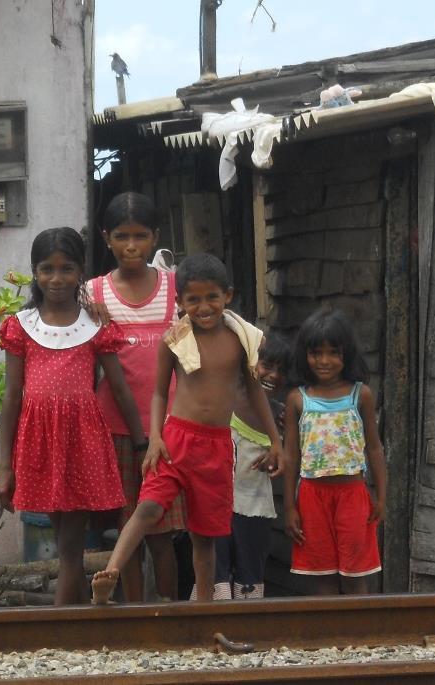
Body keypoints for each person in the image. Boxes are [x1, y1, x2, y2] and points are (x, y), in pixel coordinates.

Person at [91, 253, 285, 604]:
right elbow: (158, 393)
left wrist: (276, 440)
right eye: (193, 299)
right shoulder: (174, 340)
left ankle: (204, 608)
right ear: (179, 302)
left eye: (212, 297)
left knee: (205, 537)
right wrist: (154, 439)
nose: (204, 306)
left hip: (217, 446)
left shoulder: (240, 340)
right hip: (176, 439)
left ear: (228, 296)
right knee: (148, 506)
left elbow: (255, 391)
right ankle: (112, 571)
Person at [0, 226, 145, 606]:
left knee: (70, 548)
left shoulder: (94, 323)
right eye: (47, 269)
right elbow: (12, 396)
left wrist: (143, 442)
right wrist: (4, 467)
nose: (56, 278)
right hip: (40, 444)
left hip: (81, 443)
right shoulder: (21, 325)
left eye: (66, 269)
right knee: (66, 544)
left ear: (81, 272)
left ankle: (60, 632)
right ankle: (79, 625)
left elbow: (120, 388)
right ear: (34, 271)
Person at [89, 191, 186, 602]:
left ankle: (166, 610)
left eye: (141, 236)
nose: (132, 246)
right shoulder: (92, 293)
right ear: (106, 237)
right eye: (122, 236)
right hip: (117, 431)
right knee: (129, 527)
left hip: (167, 429)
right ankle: (131, 612)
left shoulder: (175, 288)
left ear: (156, 237)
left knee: (162, 533)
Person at [283, 307, 387, 595]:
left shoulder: (360, 394)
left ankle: (359, 638)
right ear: (305, 355)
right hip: (311, 497)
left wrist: (381, 495)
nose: (324, 361)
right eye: (316, 353)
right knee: (322, 576)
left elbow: (375, 448)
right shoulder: (297, 399)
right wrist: (290, 507)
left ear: (346, 354)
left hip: (353, 495)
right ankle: (329, 636)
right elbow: (291, 457)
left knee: (356, 574)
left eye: (333, 353)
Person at [211, 334, 292, 600]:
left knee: (250, 573)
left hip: (255, 507)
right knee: (216, 572)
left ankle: (247, 628)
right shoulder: (225, 399)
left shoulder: (280, 416)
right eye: (267, 365)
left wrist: (275, 454)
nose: (273, 375)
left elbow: (290, 457)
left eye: (282, 370)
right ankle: (211, 625)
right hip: (216, 502)